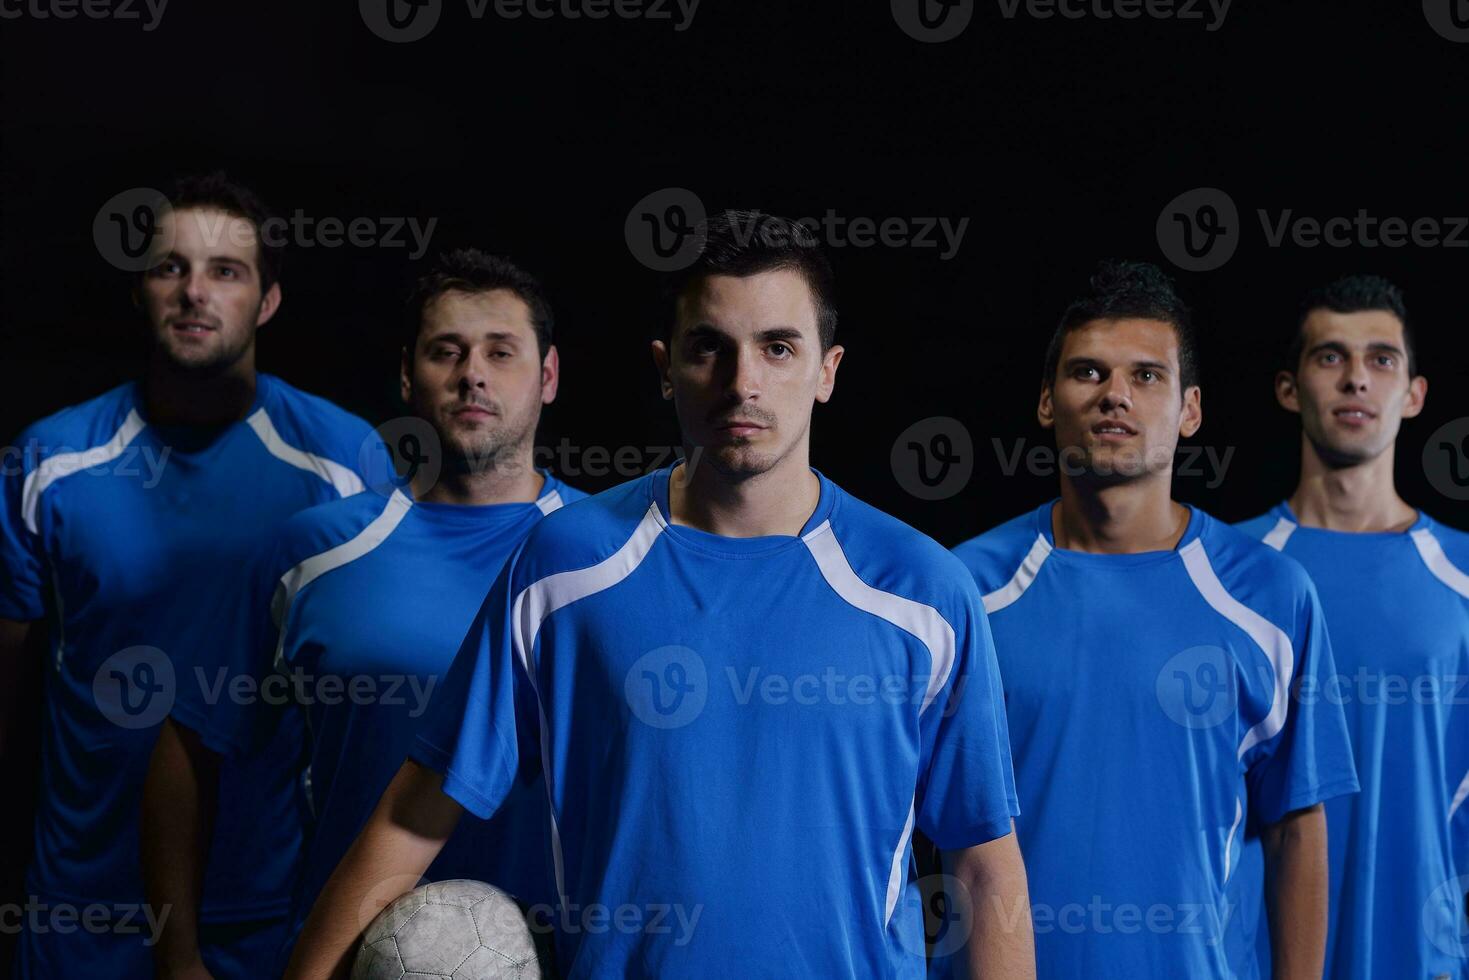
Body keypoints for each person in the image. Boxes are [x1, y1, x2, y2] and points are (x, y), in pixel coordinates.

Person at [285, 211, 1035, 979]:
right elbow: (414, 814)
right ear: (664, 367)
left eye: (778, 348)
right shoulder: (562, 565)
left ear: (827, 370)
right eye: (709, 347)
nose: (743, 382)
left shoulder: (921, 590)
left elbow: (982, 864)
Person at [142, 249, 585, 975]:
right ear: (408, 375)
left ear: (548, 377)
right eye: (447, 350)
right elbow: (186, 743)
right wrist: (179, 957)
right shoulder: (313, 552)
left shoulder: (607, 558)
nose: (472, 372)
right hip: (337, 961)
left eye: (500, 352)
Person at [0, 173, 386, 978]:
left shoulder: (345, 463)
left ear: (268, 301)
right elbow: (9, 691)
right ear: (139, 291)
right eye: (169, 268)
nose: (193, 292)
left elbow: (370, 694)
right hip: (83, 909)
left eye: (225, 271)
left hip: (268, 910)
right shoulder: (50, 459)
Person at [947, 260, 1358, 979]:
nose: (1114, 397)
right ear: (1046, 403)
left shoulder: (1267, 595)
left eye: (1145, 376)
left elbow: (1296, 830)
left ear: (1189, 410)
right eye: (1087, 374)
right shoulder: (963, 590)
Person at [1234, 274, 1469, 979]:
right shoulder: (1228, 572)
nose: (1355, 380)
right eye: (1329, 357)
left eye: (1380, 359)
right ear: (1287, 388)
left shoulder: (1461, 575)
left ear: (1414, 394)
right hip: (1251, 958)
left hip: (1422, 956)